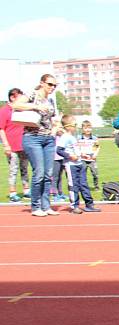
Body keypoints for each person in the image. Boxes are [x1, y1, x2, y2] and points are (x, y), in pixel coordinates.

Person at [12, 73, 59, 217]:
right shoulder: (32, 95)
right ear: (42, 83)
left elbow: (53, 119)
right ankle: (35, 206)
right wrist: (35, 107)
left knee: (48, 174)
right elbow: (16, 104)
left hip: (48, 139)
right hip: (33, 138)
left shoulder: (50, 101)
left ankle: (46, 205)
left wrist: (55, 129)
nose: (52, 87)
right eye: (50, 84)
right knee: (38, 172)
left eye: (55, 85)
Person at [57, 115, 100, 214]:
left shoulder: (73, 137)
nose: (76, 127)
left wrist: (82, 155)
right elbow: (59, 150)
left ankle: (89, 204)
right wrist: (70, 156)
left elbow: (75, 149)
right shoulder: (65, 137)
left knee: (84, 184)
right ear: (68, 126)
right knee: (73, 185)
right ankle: (74, 206)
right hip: (71, 165)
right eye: (74, 124)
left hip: (80, 163)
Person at [0, 88, 30, 202]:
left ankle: (26, 190)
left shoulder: (22, 110)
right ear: (13, 97)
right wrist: (6, 145)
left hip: (23, 144)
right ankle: (12, 192)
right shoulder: (4, 111)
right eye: (19, 97)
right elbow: (1, 129)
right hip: (11, 146)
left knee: (25, 168)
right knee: (13, 169)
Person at [76, 121, 101, 190]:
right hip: (83, 158)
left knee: (95, 173)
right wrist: (81, 154)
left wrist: (95, 154)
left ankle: (96, 186)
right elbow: (77, 148)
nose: (88, 130)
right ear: (82, 129)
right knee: (82, 174)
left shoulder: (94, 138)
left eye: (89, 128)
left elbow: (97, 147)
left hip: (92, 158)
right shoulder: (79, 138)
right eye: (86, 128)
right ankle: (82, 187)